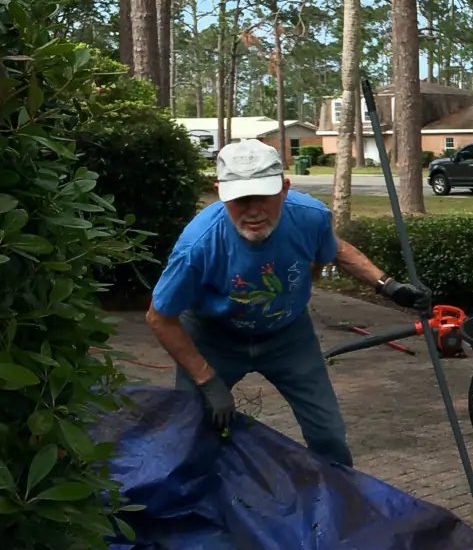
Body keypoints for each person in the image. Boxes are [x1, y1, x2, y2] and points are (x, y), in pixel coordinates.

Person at [146, 140, 428, 466]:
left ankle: (340, 504)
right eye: (240, 199)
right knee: (190, 430)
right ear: (219, 192)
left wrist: (388, 286)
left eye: (263, 196)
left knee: (328, 434)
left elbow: (334, 248)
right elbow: (159, 317)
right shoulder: (198, 244)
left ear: (284, 188)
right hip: (214, 338)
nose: (253, 210)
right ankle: (194, 506)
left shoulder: (310, 218)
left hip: (289, 337)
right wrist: (207, 380)